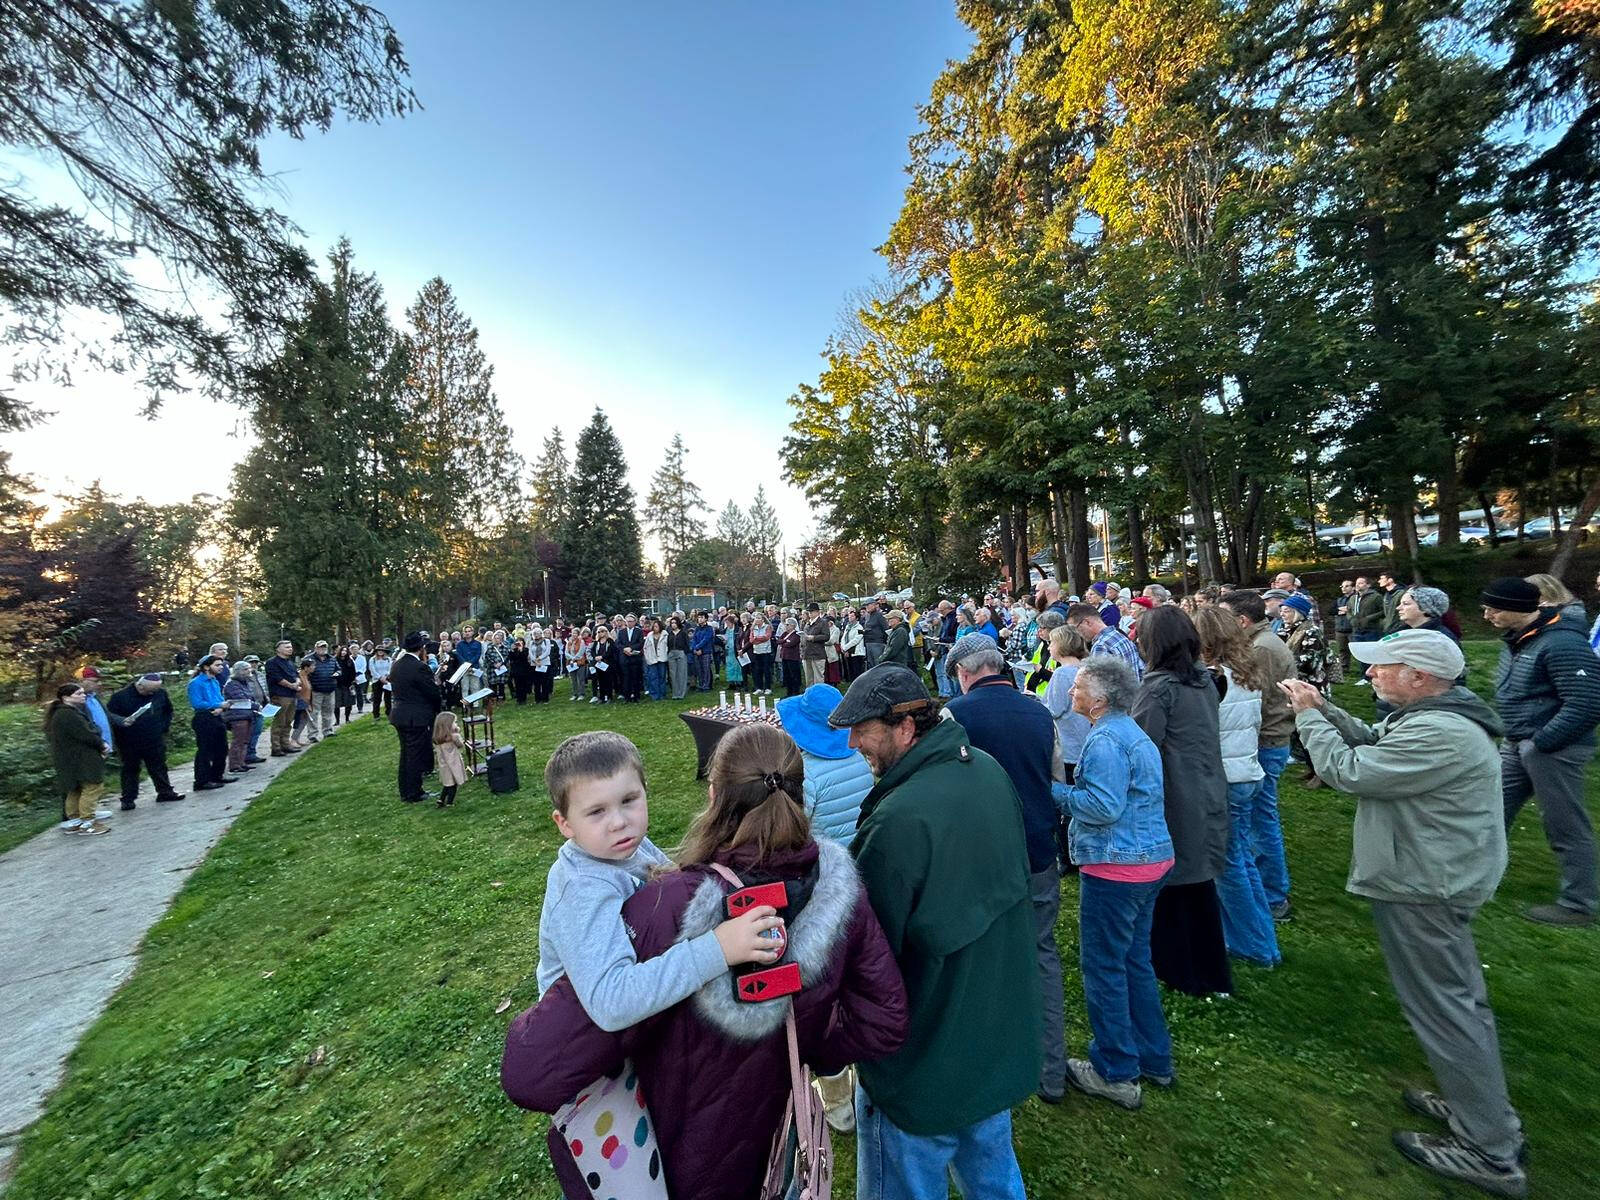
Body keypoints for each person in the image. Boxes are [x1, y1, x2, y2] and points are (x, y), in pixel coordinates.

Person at [502, 726, 907, 1200]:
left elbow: (531, 1070)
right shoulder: (585, 887)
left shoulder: (647, 872)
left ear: (712, 794)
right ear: (563, 823)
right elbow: (606, 1005)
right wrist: (807, 1040)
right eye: (597, 811)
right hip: (609, 1075)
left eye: (629, 802)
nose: (619, 823)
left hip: (675, 1113)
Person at [1283, 630, 1527, 1198]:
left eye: (1381, 667)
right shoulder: (1432, 718)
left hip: (1427, 885)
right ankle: (1475, 1105)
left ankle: (1490, 1147)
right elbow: (1374, 742)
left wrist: (1309, 718)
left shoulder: (1442, 732)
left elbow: (1352, 771)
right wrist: (1327, 708)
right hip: (1429, 876)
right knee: (1454, 1000)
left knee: (1446, 1010)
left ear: (1419, 676)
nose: (1369, 673)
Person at [827, 666, 1038, 1199]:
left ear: (905, 727)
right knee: (993, 1175)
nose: (853, 743)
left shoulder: (900, 819)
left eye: (863, 729)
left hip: (923, 1057)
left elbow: (867, 956)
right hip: (992, 1034)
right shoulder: (987, 770)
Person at [944, 633, 1069, 1106]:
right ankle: (1050, 1070)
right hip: (1037, 848)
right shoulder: (1039, 711)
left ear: (964, 673)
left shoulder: (956, 715)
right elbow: (1056, 778)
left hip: (980, 854)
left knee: (977, 957)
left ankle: (985, 1059)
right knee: (1040, 952)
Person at [1051, 655, 1175, 1108]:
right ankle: (1154, 1057)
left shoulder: (1105, 742)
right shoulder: (1131, 733)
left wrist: (1053, 792)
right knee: (1134, 960)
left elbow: (1103, 808)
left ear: (1100, 698)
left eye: (1078, 686)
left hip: (1117, 868)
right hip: (1151, 862)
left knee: (1104, 966)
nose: (1071, 692)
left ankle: (1116, 1070)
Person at [1481, 575, 1600, 926]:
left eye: (1494, 608)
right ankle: (1473, 880)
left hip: (1553, 748)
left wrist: (1542, 742)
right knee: (1488, 810)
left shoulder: (1562, 643)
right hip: (1517, 743)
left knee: (1565, 825)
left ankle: (1579, 904)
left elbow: (1588, 703)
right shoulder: (1519, 640)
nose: (1487, 615)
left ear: (1519, 609)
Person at [1131, 606, 1231, 996]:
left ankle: (1183, 970)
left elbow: (1141, 745)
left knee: (1176, 886)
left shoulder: (1158, 688)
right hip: (1205, 784)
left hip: (1177, 793)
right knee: (1199, 883)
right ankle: (1208, 970)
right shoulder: (1202, 680)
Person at [1192, 606, 1281, 967]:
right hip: (1245, 771)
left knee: (1229, 866)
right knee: (1241, 859)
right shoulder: (1247, 671)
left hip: (1225, 777)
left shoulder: (1214, 678)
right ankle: (1258, 936)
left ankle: (1254, 944)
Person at [1219, 589, 1297, 921]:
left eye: (1225, 617)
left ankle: (1273, 895)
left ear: (1242, 620)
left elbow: (1257, 700)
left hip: (1266, 741)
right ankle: (1262, 887)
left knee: (1261, 819)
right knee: (1255, 818)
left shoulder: (1261, 647)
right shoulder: (1260, 642)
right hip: (1265, 740)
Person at [105, 673, 183, 809]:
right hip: (129, 739)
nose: (151, 693)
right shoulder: (120, 697)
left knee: (159, 766)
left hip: (154, 737)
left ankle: (165, 792)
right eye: (149, 690)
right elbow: (111, 717)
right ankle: (128, 798)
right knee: (130, 769)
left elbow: (168, 711)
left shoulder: (160, 694)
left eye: (154, 690)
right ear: (140, 685)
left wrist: (163, 727)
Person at [46, 684, 111, 836]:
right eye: (78, 693)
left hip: (69, 758)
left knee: (75, 788)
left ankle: (74, 820)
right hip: (82, 757)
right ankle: (88, 821)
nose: (83, 696)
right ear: (66, 697)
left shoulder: (61, 713)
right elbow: (85, 734)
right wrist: (101, 744)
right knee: (92, 786)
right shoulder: (68, 714)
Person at [390, 632, 443, 804]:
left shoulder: (397, 665)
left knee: (406, 754)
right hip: (415, 717)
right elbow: (432, 693)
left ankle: (406, 790)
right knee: (414, 756)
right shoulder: (420, 667)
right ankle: (414, 792)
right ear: (421, 648)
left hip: (400, 714)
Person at [186, 655, 235, 792]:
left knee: (222, 748)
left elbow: (219, 698)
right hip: (204, 717)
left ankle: (217, 775)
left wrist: (221, 707)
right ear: (207, 667)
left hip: (217, 715)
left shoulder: (214, 681)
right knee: (205, 750)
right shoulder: (196, 683)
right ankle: (202, 780)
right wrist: (219, 704)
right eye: (217, 665)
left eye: (221, 665)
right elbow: (197, 703)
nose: (221, 668)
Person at [1066, 602, 1145, 679]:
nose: (1077, 633)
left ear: (1087, 622)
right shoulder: (1121, 636)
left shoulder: (1101, 646)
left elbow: (1099, 686)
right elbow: (1141, 670)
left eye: (1075, 628)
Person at [221, 662, 260, 776]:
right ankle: (234, 765)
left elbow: (249, 697)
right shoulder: (232, 684)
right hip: (237, 716)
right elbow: (240, 699)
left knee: (245, 740)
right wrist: (255, 705)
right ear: (240, 671)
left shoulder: (244, 683)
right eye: (247, 669)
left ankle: (241, 762)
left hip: (247, 715)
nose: (250, 671)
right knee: (238, 740)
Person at [265, 640, 301, 755]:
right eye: (286, 647)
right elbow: (277, 678)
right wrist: (292, 685)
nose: (290, 649)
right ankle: (276, 747)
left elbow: (296, 674)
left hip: (292, 694)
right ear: (278, 649)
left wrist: (297, 683)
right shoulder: (272, 662)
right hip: (280, 695)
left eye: (290, 647)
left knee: (288, 721)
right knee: (279, 721)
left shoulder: (290, 662)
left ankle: (285, 744)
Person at [433, 710, 466, 808]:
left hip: (444, 765)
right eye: (454, 723)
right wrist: (457, 732)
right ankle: (449, 803)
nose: (456, 724)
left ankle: (441, 799)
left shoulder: (437, 739)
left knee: (447, 784)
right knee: (453, 784)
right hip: (453, 764)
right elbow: (460, 745)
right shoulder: (453, 737)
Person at [307, 640, 339, 741]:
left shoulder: (332, 659)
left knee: (328, 712)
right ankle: (312, 735)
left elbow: (339, 669)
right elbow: (303, 672)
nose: (322, 649)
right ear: (316, 648)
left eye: (324, 647)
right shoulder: (309, 659)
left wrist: (337, 673)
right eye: (320, 647)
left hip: (329, 689)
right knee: (314, 713)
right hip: (315, 690)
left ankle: (328, 731)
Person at [616, 614, 644, 703]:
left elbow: (640, 643)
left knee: (635, 677)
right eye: (628, 621)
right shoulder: (621, 632)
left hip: (635, 657)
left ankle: (636, 696)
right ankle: (627, 697)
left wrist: (631, 648)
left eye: (631, 621)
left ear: (635, 622)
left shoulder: (639, 631)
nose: (629, 623)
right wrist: (624, 649)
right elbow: (618, 643)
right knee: (625, 678)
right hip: (624, 658)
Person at [748, 609, 775, 694]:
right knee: (757, 670)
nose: (756, 619)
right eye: (755, 618)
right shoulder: (753, 628)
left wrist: (757, 638)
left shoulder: (767, 627)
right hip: (757, 651)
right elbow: (751, 640)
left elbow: (766, 637)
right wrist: (757, 639)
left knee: (767, 669)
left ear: (763, 620)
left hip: (766, 651)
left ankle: (768, 688)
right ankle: (758, 687)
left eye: (758, 618)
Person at [689, 612, 716, 693]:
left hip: (706, 651)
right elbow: (694, 639)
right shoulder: (697, 628)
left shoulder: (709, 628)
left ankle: (706, 686)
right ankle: (700, 685)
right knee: (699, 669)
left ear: (706, 619)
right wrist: (694, 648)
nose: (699, 619)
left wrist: (698, 647)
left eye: (701, 617)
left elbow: (706, 639)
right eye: (699, 617)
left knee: (706, 669)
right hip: (697, 651)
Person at [777, 616, 803, 697]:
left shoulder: (796, 634)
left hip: (792, 657)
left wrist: (783, 642)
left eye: (787, 624)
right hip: (784, 656)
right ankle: (789, 692)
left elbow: (791, 644)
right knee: (787, 675)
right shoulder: (785, 633)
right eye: (785, 624)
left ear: (792, 625)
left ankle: (795, 691)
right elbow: (778, 641)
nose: (786, 626)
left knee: (794, 675)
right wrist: (785, 641)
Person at [665, 616, 689, 700]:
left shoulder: (683, 633)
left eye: (675, 623)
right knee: (673, 674)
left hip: (681, 653)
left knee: (681, 673)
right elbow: (667, 644)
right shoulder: (670, 634)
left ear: (678, 623)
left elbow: (687, 644)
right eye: (672, 623)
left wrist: (684, 652)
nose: (673, 625)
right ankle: (675, 693)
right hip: (671, 654)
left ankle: (681, 693)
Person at [643, 617, 668, 700]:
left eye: (656, 626)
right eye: (654, 626)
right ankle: (654, 695)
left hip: (662, 658)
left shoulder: (665, 635)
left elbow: (668, 646)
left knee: (662, 677)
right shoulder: (649, 635)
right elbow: (645, 647)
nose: (655, 628)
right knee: (653, 677)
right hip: (652, 659)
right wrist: (648, 658)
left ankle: (662, 694)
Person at [861, 596, 889, 668]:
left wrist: (884, 641)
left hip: (877, 643)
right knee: (871, 664)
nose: (866, 607)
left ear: (874, 605)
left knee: (878, 664)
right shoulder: (867, 616)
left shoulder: (879, 615)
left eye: (868, 605)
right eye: (866, 605)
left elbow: (885, 629)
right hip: (868, 642)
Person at [530, 627, 556, 704]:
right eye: (534, 634)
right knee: (536, 683)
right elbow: (530, 653)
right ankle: (537, 699)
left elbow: (547, 651)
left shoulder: (546, 641)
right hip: (534, 664)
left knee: (545, 682)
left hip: (544, 663)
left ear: (541, 634)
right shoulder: (531, 642)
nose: (536, 635)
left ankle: (545, 699)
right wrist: (535, 660)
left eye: (538, 633)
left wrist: (539, 658)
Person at [334, 645, 358, 726]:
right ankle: (337, 720)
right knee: (336, 703)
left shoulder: (349, 661)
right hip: (337, 685)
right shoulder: (335, 660)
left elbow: (353, 672)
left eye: (345, 651)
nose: (343, 652)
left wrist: (351, 681)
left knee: (348, 703)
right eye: (342, 650)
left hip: (347, 685)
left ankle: (347, 718)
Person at [506, 636, 533, 705]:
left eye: (520, 641)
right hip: (516, 669)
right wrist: (512, 650)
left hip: (524, 669)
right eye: (518, 641)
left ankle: (524, 699)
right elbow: (511, 658)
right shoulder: (513, 650)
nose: (519, 643)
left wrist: (521, 650)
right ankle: (519, 699)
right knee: (517, 685)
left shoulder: (526, 649)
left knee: (524, 684)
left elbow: (524, 657)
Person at [367, 647, 392, 719]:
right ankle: (376, 714)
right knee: (377, 698)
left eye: (382, 650)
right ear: (376, 652)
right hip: (376, 680)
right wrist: (380, 677)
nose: (380, 652)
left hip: (387, 680)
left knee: (388, 698)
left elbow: (390, 669)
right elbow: (372, 670)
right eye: (379, 651)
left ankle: (389, 713)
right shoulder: (373, 659)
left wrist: (385, 677)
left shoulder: (388, 659)